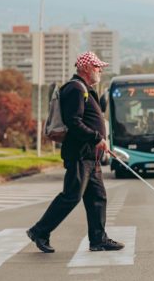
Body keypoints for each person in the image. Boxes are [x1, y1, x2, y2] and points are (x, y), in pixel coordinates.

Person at [26, 51, 124, 253]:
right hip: (79, 155)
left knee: (98, 197)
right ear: (86, 68)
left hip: (90, 156)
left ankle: (98, 239)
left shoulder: (84, 89)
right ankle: (39, 231)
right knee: (71, 196)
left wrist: (97, 141)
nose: (100, 71)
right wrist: (97, 138)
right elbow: (74, 122)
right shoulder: (75, 89)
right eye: (97, 67)